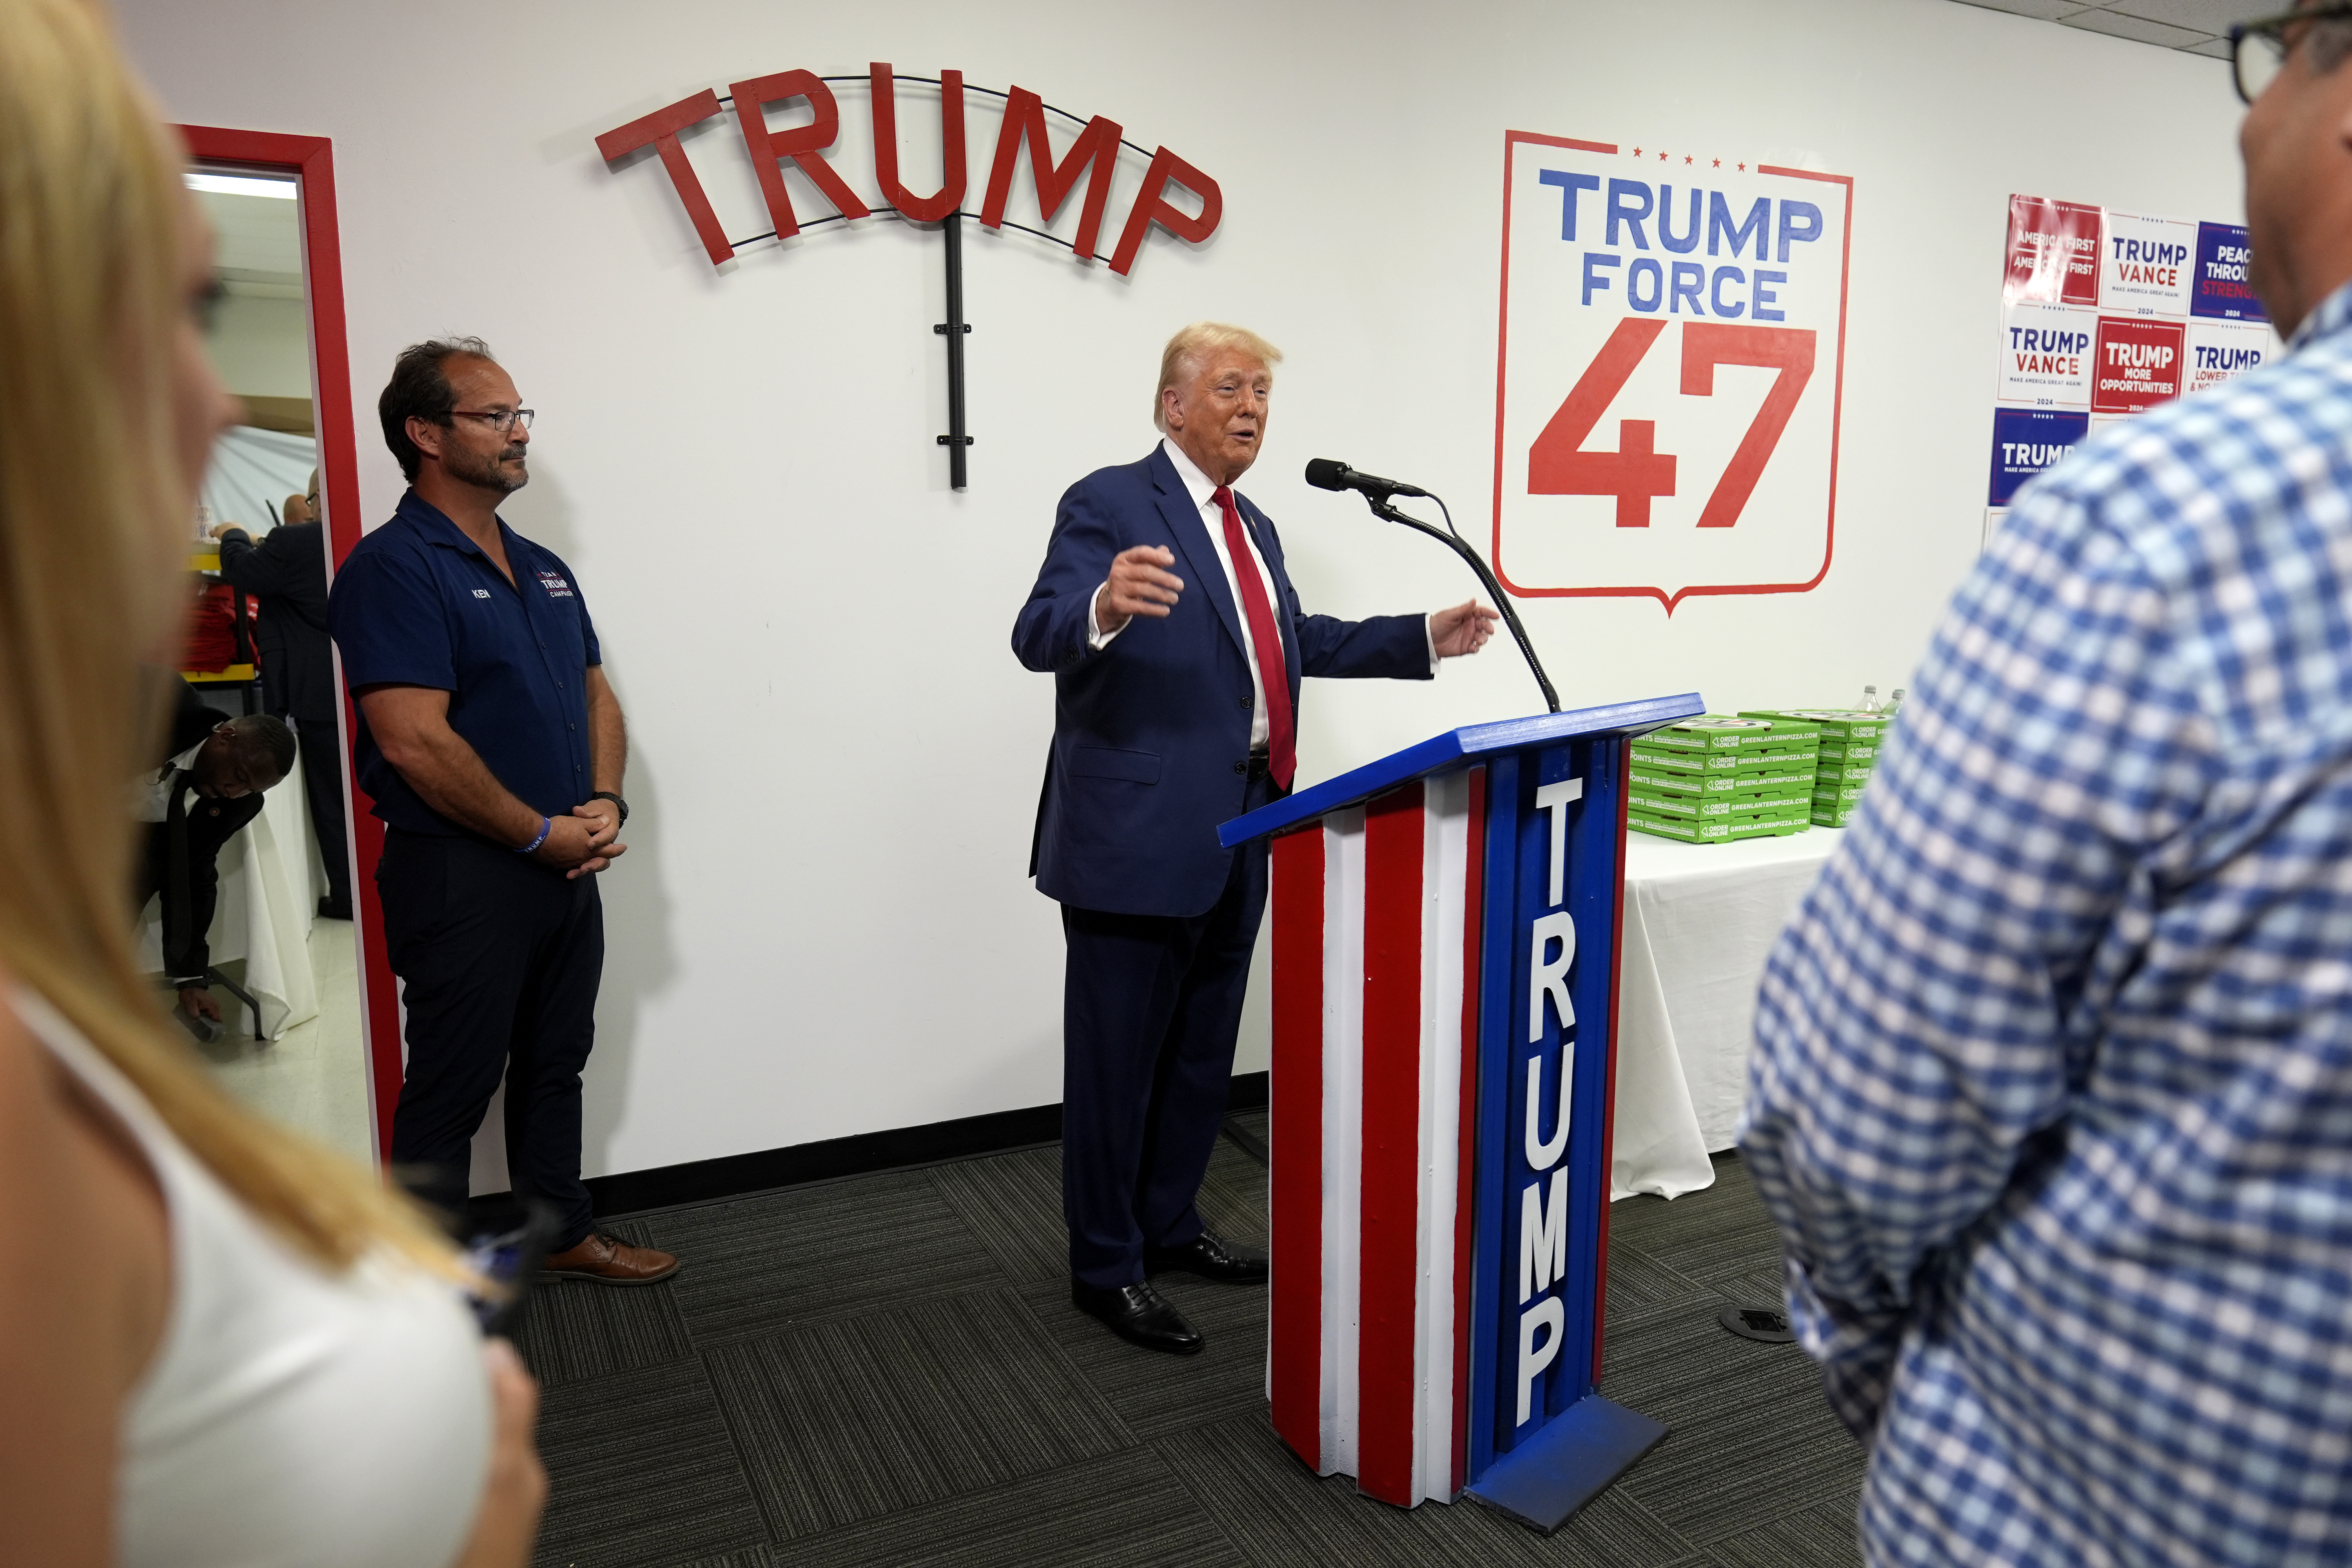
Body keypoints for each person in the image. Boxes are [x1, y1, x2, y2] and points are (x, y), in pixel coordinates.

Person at [1741, 10, 2352, 1562]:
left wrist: (1920, 1397)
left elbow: (1851, 1119)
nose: (2247, 118)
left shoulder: (2164, 533)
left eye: (2272, 53)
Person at [0, 0, 543, 1561]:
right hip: (458, 857)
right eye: (146, 314)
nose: (213, 403)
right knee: (448, 1081)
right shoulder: (353, 561)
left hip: (540, 853)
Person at [1012, 322, 1498, 1354]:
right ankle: (1106, 1265)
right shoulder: (1110, 501)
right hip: (1134, 834)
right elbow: (1036, 629)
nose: (1252, 408)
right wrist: (1101, 604)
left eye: (1264, 393)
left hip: (1251, 820)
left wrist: (1421, 637)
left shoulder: (1256, 526)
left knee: (1198, 1054)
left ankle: (1170, 1225)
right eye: (1231, 387)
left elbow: (1293, 642)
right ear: (1172, 405)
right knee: (1117, 1063)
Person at [328, 337, 677, 1286]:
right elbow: (412, 740)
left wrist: (600, 803)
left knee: (558, 1058)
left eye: (523, 415)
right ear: (425, 434)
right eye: (496, 417)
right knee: (451, 1082)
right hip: (464, 871)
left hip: (564, 862)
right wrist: (534, 829)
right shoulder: (392, 567)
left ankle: (557, 1229)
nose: (520, 434)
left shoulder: (541, 565)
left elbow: (597, 693)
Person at [212, 468, 354, 919]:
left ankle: (350, 897)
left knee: (334, 803)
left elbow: (240, 568)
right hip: (370, 687)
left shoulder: (296, 543)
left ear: (318, 499)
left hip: (318, 695)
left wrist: (231, 533)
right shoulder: (369, 535)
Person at [135, 674, 294, 1030]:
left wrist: (190, 979)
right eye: (238, 775)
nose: (233, 792)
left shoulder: (239, 805)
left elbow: (190, 877)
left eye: (248, 789)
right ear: (225, 737)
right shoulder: (163, 702)